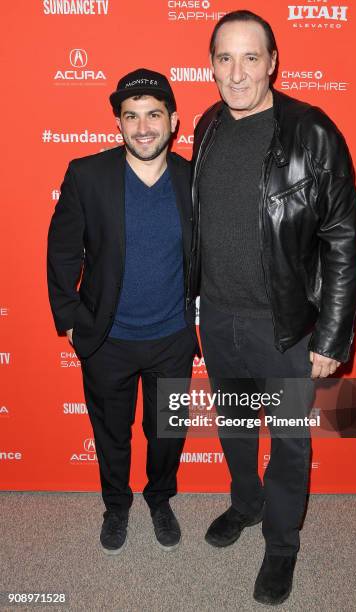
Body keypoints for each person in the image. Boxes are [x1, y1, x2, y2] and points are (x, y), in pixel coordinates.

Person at [188, 10, 356, 605]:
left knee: (287, 438)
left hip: (284, 326)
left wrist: (332, 337)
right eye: (224, 58)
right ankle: (246, 503)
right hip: (219, 316)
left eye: (250, 58)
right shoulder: (208, 125)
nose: (236, 73)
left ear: (273, 61)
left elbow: (341, 239)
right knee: (236, 425)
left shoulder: (312, 132)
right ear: (211, 64)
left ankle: (282, 545)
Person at [47, 68, 199, 555]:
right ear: (119, 123)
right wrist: (70, 319)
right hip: (107, 338)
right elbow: (62, 252)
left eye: (153, 114)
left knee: (167, 431)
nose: (142, 127)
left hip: (174, 338)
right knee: (111, 432)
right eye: (130, 116)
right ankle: (116, 504)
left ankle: (159, 498)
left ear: (173, 121)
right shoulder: (86, 176)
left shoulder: (195, 181)